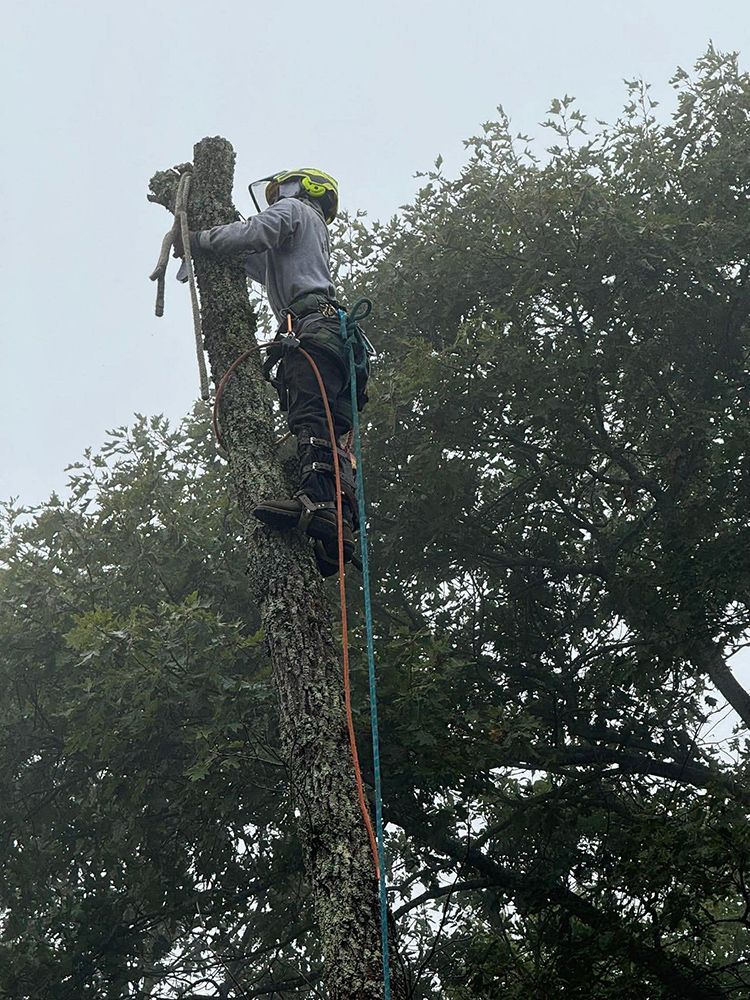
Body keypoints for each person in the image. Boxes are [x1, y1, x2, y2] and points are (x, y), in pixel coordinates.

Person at [175, 168, 364, 576]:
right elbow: (255, 259)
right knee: (331, 428)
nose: (277, 197)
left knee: (310, 415)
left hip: (311, 329)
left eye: (281, 191)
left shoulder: (294, 210)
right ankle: (341, 528)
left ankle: (317, 504)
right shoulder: (306, 235)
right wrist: (205, 253)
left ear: (302, 188)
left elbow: (254, 233)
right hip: (331, 334)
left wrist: (200, 239)